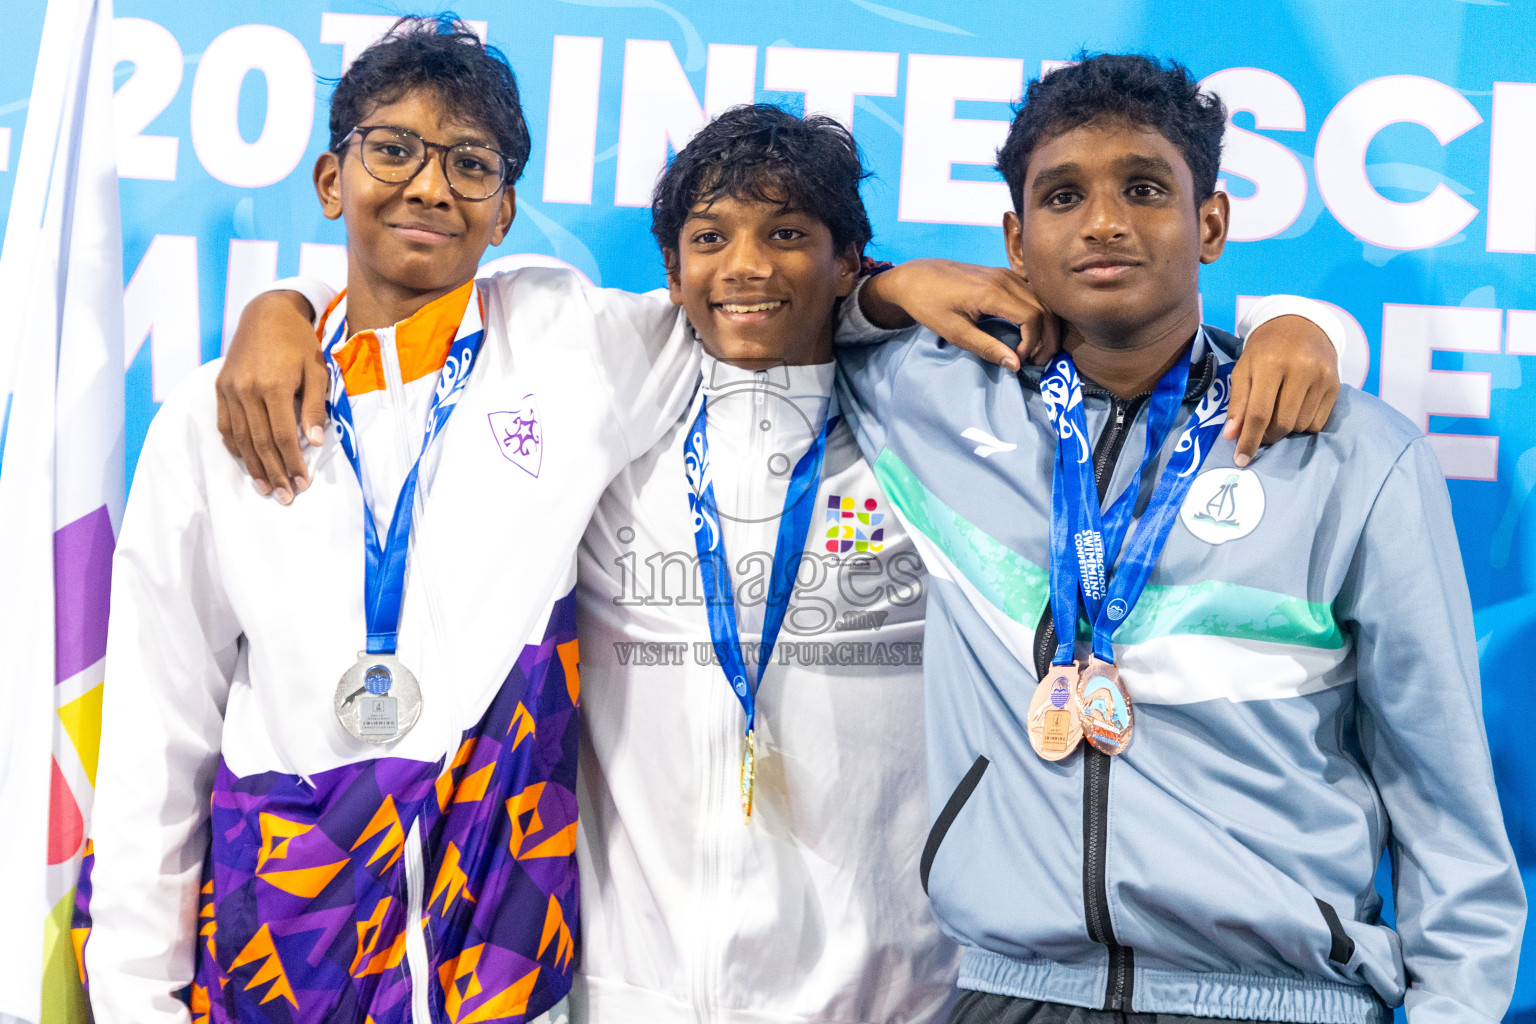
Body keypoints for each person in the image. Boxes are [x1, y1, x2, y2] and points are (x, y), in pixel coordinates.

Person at [213, 89, 1345, 1024]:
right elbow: (437, 349)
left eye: (788, 236)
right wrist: (281, 308)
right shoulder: (614, 418)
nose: (746, 266)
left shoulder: (935, 432)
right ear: (669, 268)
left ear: (851, 261)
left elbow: (1130, 371)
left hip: (893, 989)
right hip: (628, 994)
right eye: (709, 239)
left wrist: (1300, 330)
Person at [834, 53, 1525, 1023]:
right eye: (1063, 196)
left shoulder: (1353, 456)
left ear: (1210, 224)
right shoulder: (937, 401)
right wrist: (892, 288)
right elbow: (762, 310)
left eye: (1146, 189)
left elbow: (1445, 802)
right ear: (1015, 241)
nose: (1105, 221)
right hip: (1012, 993)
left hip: (1278, 1000)